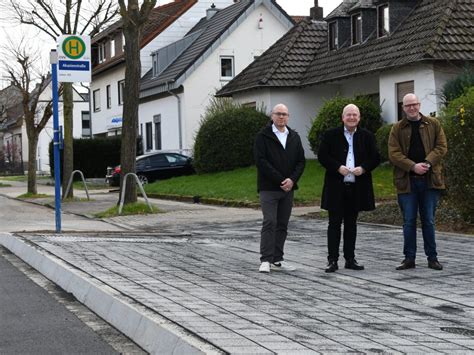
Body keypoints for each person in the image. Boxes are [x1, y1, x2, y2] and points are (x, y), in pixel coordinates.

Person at [318, 104, 380, 273]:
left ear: (359, 118)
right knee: (334, 224)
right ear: (342, 117)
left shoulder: (367, 136)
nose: (351, 118)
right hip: (336, 187)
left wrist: (364, 168)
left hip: (357, 187)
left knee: (352, 224)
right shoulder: (331, 135)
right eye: (348, 115)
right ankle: (332, 260)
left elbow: (375, 157)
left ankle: (350, 259)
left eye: (355, 115)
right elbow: (322, 156)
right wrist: (337, 167)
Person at [388, 93, 447, 271]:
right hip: (407, 181)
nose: (411, 108)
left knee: (428, 220)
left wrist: (427, 163)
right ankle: (409, 258)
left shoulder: (433, 124)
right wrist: (413, 166)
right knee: (409, 221)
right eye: (408, 105)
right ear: (403, 108)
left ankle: (432, 258)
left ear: (419, 105)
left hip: (430, 180)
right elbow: (394, 153)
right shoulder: (397, 128)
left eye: (414, 104)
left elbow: (441, 146)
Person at [254, 103, 306, 273]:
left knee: (282, 223)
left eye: (284, 114)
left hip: (288, 189)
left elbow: (301, 161)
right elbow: (261, 161)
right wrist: (280, 180)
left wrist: (292, 180)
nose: (281, 117)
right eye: (278, 114)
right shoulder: (263, 136)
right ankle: (265, 259)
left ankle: (277, 258)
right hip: (269, 188)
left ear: (288, 116)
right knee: (270, 221)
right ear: (272, 116)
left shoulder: (294, 136)